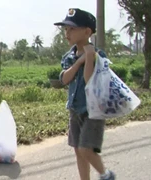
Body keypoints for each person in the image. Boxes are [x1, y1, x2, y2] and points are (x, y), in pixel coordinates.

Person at [54, 8, 116, 180]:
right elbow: (64, 79)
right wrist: (79, 61)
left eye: (72, 28)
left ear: (87, 31)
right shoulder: (69, 56)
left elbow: (90, 81)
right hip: (75, 109)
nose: (67, 33)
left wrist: (88, 58)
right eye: (66, 29)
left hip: (92, 111)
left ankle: (106, 175)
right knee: (78, 150)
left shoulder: (98, 56)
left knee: (85, 148)